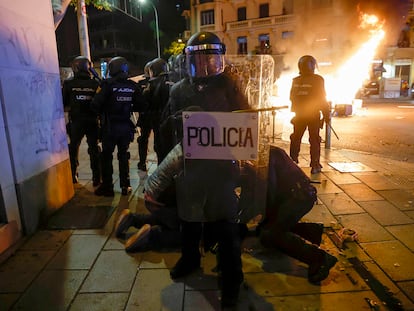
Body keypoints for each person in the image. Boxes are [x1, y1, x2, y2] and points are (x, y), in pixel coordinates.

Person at [161, 31, 250, 308]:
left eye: (210, 59)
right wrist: (175, 122)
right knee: (189, 220)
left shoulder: (229, 86)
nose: (204, 65)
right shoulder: (177, 91)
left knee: (226, 227)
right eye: (198, 59)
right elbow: (163, 131)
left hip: (222, 168)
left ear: (219, 59)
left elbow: (247, 120)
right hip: (191, 168)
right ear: (188, 61)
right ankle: (190, 259)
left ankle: (232, 279)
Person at [258, 145, 338, 284]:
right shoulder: (267, 151)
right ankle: (312, 232)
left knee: (272, 233)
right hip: (296, 194)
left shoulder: (267, 155)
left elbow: (269, 190)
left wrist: (267, 222)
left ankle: (319, 258)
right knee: (267, 230)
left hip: (298, 197)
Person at [91, 56, 137, 196]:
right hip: (125, 126)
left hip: (110, 128)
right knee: (124, 156)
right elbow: (142, 104)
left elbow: (95, 104)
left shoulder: (107, 85)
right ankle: (125, 185)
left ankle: (108, 187)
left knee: (107, 157)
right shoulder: (132, 85)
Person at [62, 56, 101, 185]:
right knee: (94, 149)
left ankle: (73, 175)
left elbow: (64, 103)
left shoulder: (69, 84)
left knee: (73, 148)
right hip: (92, 121)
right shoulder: (95, 84)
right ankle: (96, 178)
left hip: (77, 121)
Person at [289, 55, 331, 174]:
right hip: (313, 116)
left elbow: (291, 97)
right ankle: (315, 165)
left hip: (299, 115)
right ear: (312, 66)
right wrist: (326, 115)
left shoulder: (295, 80)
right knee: (314, 140)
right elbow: (322, 98)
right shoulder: (318, 79)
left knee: (296, 138)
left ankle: (293, 160)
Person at [138, 57, 172, 170]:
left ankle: (160, 170)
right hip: (169, 118)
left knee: (158, 145)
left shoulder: (153, 83)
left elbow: (143, 100)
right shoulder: (173, 79)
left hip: (155, 117)